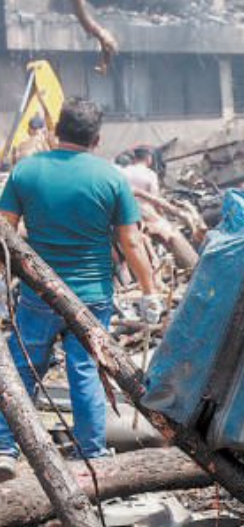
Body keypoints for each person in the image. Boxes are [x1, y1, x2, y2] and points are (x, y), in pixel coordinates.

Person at [0, 97, 161, 478]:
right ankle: (92, 454)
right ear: (97, 138)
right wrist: (149, 290)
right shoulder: (110, 177)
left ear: (57, 130)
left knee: (23, 368)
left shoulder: (26, 171)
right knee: (86, 370)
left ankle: (4, 448)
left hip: (39, 292)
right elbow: (132, 243)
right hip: (91, 297)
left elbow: (4, 230)